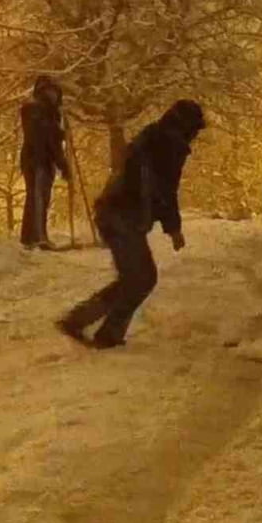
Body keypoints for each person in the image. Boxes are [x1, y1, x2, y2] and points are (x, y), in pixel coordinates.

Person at [55, 100, 206, 349]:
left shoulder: (153, 138)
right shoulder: (168, 146)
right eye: (195, 130)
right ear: (186, 126)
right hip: (122, 215)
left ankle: (87, 323)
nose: (195, 136)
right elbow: (165, 191)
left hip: (115, 212)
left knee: (135, 278)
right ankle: (90, 326)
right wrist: (174, 228)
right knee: (141, 278)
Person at [18, 75, 70, 249]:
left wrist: (59, 133)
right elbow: (48, 139)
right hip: (38, 159)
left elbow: (50, 136)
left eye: (55, 92)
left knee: (37, 197)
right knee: (38, 197)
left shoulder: (44, 112)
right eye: (50, 91)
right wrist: (63, 164)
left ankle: (30, 238)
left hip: (38, 159)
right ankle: (38, 238)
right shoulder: (39, 110)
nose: (54, 95)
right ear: (43, 92)